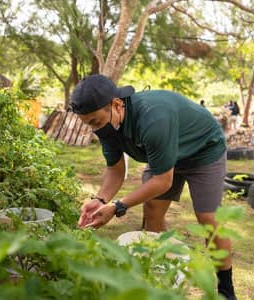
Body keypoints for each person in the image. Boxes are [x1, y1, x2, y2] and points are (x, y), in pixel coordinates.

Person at [71, 74, 237, 300]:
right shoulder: (106, 126)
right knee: (152, 211)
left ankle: (226, 290)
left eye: (95, 122)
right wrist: (100, 200)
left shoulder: (153, 118)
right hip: (165, 154)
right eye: (88, 123)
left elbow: (162, 181)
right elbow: (116, 170)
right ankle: (158, 277)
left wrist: (118, 206)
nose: (94, 129)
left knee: (209, 219)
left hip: (203, 150)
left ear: (117, 104)